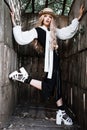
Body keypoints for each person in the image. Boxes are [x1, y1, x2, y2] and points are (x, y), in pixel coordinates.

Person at [9, 5, 84, 125]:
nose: (48, 18)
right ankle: (24, 78)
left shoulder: (53, 31)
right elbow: (22, 37)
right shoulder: (37, 30)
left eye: (50, 17)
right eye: (45, 16)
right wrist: (14, 22)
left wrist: (78, 19)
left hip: (56, 62)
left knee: (57, 87)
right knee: (49, 88)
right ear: (42, 18)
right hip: (51, 64)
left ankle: (61, 112)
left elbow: (67, 32)